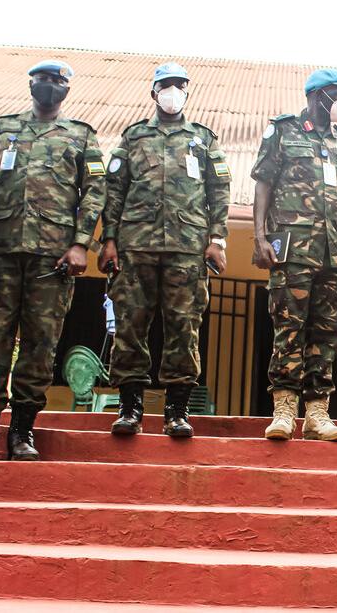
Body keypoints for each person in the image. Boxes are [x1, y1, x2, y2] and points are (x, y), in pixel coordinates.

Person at [0, 60, 105, 462]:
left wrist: (80, 244)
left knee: (40, 343)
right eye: (42, 80)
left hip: (52, 258)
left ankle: (22, 431)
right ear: (31, 84)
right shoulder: (3, 128)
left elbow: (95, 192)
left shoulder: (81, 135)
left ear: (66, 89)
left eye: (57, 81)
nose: (49, 86)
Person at [99, 62, 229, 438]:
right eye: (166, 86)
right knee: (130, 325)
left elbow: (219, 191)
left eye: (179, 86)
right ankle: (130, 409)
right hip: (135, 246)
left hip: (188, 248)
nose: (173, 92)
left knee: (184, 327)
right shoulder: (134, 136)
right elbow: (114, 190)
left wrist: (217, 239)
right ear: (154, 93)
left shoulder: (203, 139)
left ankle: (177, 412)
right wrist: (109, 239)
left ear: (187, 92)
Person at [252, 69, 337, 442]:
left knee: (328, 334)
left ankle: (317, 413)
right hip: (294, 249)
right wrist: (259, 237)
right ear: (318, 96)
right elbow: (264, 183)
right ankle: (284, 410)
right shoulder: (283, 131)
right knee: (289, 328)